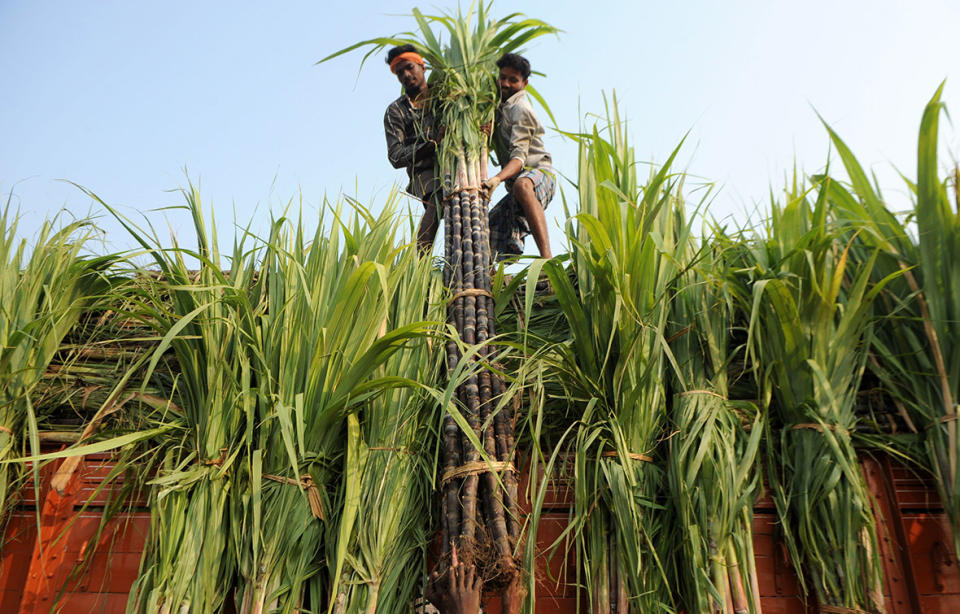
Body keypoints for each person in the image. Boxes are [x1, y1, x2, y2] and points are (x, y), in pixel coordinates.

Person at [481, 53, 555, 261]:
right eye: (502, 77)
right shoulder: (499, 107)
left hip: (539, 175)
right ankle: (491, 278)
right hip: (516, 187)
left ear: (525, 83)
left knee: (522, 185)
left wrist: (496, 179)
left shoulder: (521, 109)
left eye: (513, 80)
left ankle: (547, 260)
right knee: (485, 229)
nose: (505, 84)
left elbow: (519, 159)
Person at [383, 44, 442, 252]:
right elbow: (395, 156)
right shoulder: (396, 111)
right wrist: (431, 145)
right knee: (438, 198)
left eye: (409, 68)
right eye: (400, 73)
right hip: (423, 171)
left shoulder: (444, 95)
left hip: (454, 162)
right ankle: (418, 265)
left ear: (422, 66)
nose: (406, 75)